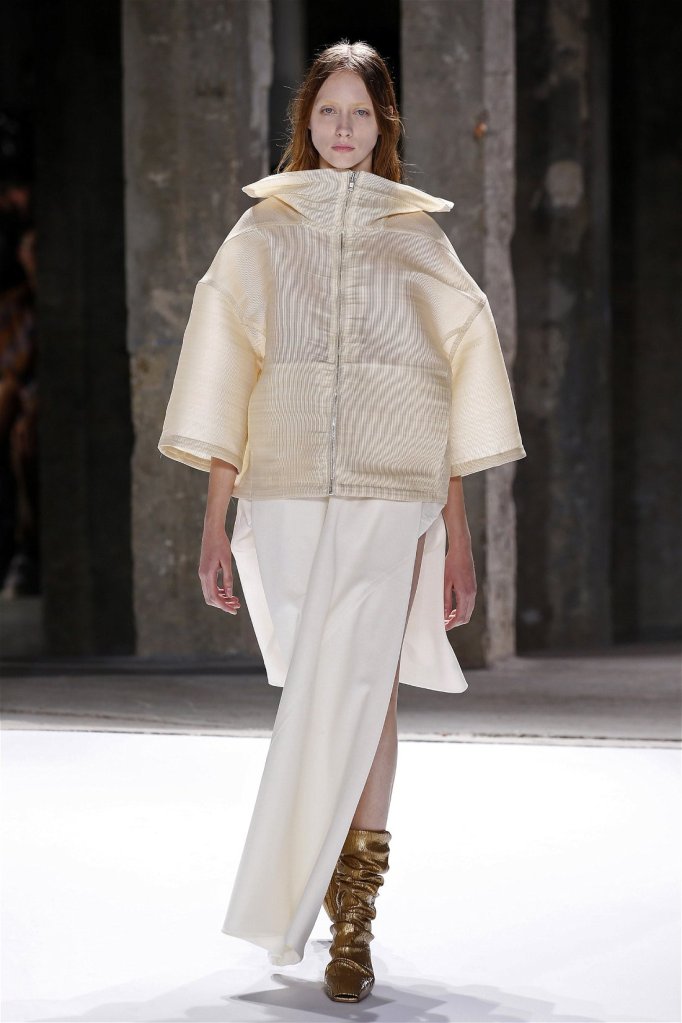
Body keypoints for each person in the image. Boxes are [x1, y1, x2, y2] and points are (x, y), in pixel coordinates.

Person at [158, 40, 526, 1004]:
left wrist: (457, 535)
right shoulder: (263, 232)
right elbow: (226, 374)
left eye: (361, 111)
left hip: (392, 495)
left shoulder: (419, 238)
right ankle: (313, 886)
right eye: (329, 110)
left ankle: (353, 922)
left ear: (383, 123)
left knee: (371, 693)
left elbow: (455, 381)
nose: (344, 127)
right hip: (282, 492)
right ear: (306, 120)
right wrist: (214, 519)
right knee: (322, 693)